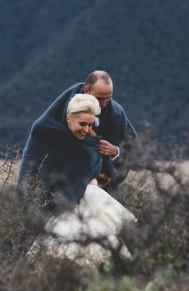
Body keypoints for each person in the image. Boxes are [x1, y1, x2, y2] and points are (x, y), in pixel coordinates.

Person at [20, 94, 137, 264]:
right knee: (60, 250)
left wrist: (95, 181)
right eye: (82, 124)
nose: (86, 129)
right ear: (69, 117)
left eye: (90, 124)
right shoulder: (52, 139)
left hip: (91, 205)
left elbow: (107, 173)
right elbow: (43, 173)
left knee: (102, 250)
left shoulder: (93, 142)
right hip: (61, 204)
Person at [18, 70, 137, 201]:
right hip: (61, 177)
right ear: (86, 90)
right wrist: (87, 148)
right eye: (100, 98)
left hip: (97, 182)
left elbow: (133, 146)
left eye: (109, 98)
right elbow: (42, 131)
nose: (104, 104)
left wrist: (115, 151)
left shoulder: (116, 114)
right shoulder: (67, 106)